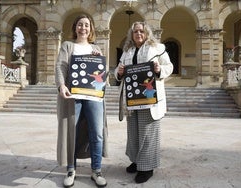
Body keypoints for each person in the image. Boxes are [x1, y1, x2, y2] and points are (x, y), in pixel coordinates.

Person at [114, 21, 173, 184]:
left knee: (147, 133)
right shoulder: (127, 51)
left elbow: (169, 66)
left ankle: (146, 168)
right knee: (133, 133)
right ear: (131, 35)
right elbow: (118, 70)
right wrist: (118, 72)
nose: (138, 34)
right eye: (135, 32)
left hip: (149, 98)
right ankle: (136, 161)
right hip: (132, 98)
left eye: (141, 31)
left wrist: (159, 69)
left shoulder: (158, 48)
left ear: (147, 33)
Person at [55, 14, 108, 188]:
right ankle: (71, 169)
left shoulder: (96, 48)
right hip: (73, 96)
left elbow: (102, 74)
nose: (83, 28)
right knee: (72, 132)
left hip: (93, 96)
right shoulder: (68, 46)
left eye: (86, 25)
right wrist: (62, 85)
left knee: (97, 132)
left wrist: (99, 60)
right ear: (75, 28)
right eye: (80, 25)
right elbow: (61, 66)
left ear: (91, 28)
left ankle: (97, 170)